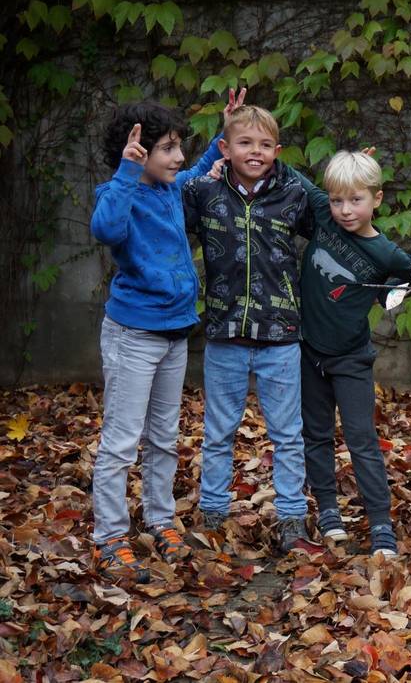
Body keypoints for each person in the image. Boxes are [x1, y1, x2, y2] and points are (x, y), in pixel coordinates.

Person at [89, 95, 237, 581]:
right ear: (138, 153)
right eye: (168, 149)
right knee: (121, 443)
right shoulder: (120, 193)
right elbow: (105, 230)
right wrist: (126, 174)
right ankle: (109, 537)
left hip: (175, 332)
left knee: (164, 439)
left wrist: (224, 135)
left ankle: (159, 520)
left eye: (178, 147)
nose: (177, 157)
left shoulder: (171, 188)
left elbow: (197, 171)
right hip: (134, 334)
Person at [182, 104, 314, 553]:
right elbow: (167, 221)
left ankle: (292, 517)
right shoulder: (203, 192)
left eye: (264, 145)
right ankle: (215, 513)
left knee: (287, 434)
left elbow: (332, 228)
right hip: (224, 336)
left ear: (277, 152)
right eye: (244, 143)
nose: (254, 152)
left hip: (280, 337)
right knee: (219, 431)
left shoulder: (294, 193)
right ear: (224, 148)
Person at [287, 150, 411, 557]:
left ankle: (380, 521)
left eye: (356, 199)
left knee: (362, 439)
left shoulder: (387, 255)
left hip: (351, 359)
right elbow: (282, 168)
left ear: (376, 199)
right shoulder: (324, 219)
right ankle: (328, 510)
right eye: (338, 199)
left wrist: (388, 300)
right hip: (309, 351)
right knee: (317, 434)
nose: (345, 210)